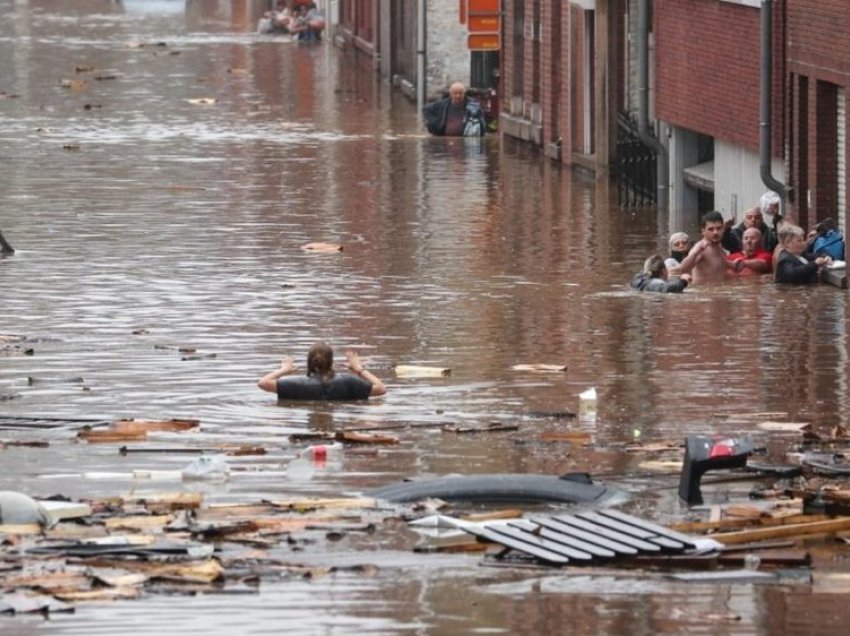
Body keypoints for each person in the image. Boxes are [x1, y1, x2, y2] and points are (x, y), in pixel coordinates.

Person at [258, 342, 386, 400]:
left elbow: (263, 383)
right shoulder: (350, 382)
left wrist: (283, 370)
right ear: (331, 362)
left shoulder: (296, 384)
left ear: (309, 362)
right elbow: (381, 389)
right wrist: (359, 369)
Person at [676, 211, 730, 284]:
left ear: (723, 229)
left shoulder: (720, 247)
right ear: (703, 231)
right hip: (703, 293)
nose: (715, 232)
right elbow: (682, 269)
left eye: (718, 228)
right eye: (711, 229)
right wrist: (696, 252)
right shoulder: (700, 248)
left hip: (718, 292)